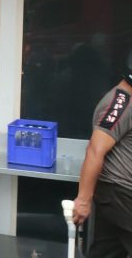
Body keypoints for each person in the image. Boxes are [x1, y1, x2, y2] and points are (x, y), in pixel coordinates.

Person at [72, 58, 132, 257]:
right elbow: (95, 150)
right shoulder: (120, 102)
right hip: (120, 193)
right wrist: (83, 200)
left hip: (118, 195)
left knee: (107, 251)